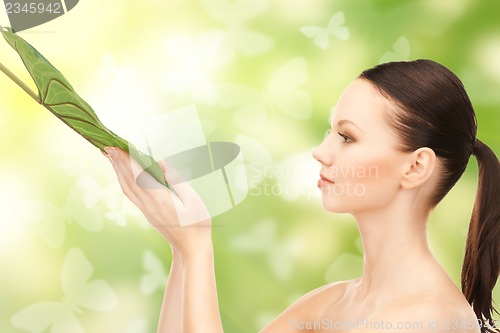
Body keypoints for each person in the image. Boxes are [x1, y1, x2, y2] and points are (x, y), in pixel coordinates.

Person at [102, 59, 500, 333]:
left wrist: (197, 248)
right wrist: (182, 248)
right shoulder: (331, 302)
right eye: (331, 132)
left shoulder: (426, 318)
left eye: (347, 136)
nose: (321, 152)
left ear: (415, 167)